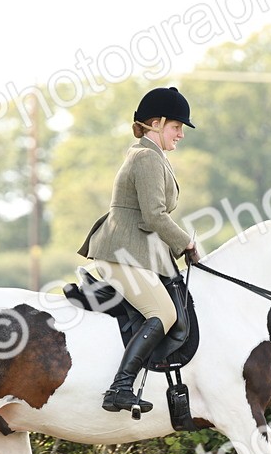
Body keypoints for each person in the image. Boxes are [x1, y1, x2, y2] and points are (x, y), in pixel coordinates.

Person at [78, 86, 199, 414]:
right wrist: (185, 242)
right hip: (122, 252)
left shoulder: (151, 155)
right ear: (156, 124)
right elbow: (154, 215)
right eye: (176, 127)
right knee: (164, 313)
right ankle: (119, 388)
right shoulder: (146, 157)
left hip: (135, 252)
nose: (181, 135)